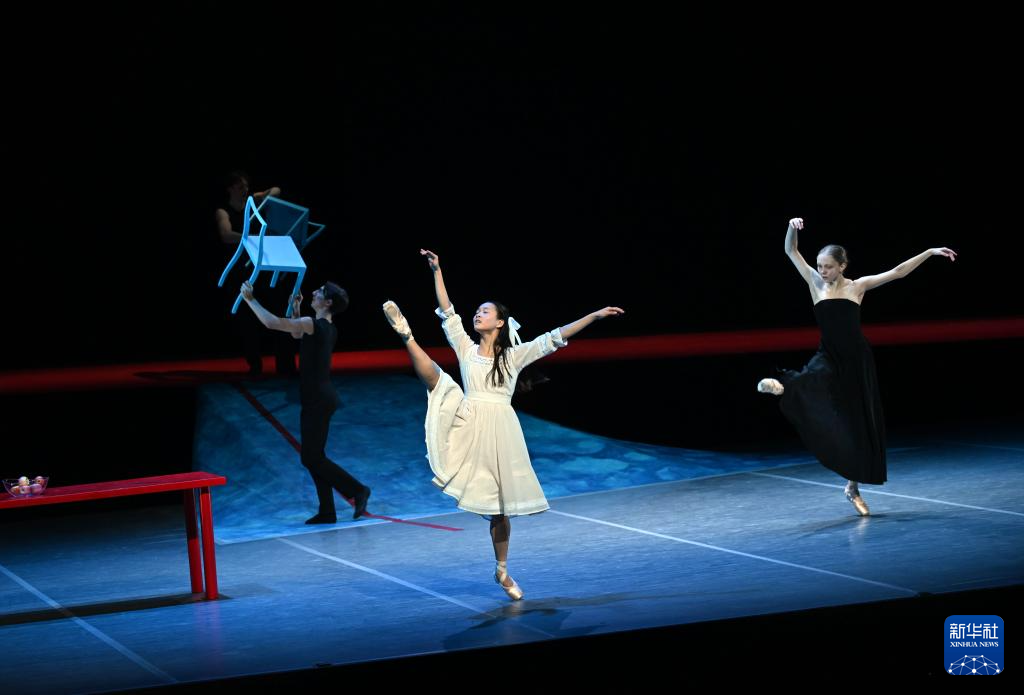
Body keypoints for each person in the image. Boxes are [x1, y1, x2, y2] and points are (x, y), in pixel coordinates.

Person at [382, 249, 623, 600]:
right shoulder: (466, 348)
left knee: (500, 510)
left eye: (485, 311)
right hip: (469, 420)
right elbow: (448, 312)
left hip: (500, 431)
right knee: (439, 381)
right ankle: (407, 335)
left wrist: (595, 315)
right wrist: (437, 270)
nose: (478, 314)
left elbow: (553, 338)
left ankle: (502, 570)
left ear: (499, 323)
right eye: (477, 311)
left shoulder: (512, 356)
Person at [757, 217, 956, 515]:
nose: (822, 271)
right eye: (820, 266)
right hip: (829, 354)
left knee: (858, 422)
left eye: (828, 267)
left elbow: (898, 272)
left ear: (842, 266)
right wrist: (790, 226)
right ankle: (784, 385)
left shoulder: (857, 287)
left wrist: (929, 252)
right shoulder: (814, 283)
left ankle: (852, 488)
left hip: (856, 359)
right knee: (813, 375)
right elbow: (790, 250)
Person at [240, 279, 371, 523]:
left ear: (327, 302)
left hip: (318, 399)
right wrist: (296, 309)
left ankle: (357, 490)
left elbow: (272, 322)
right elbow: (296, 333)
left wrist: (250, 299)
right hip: (318, 398)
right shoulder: (326, 327)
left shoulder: (315, 324)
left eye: (319, 291)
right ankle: (327, 511)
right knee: (314, 456)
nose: (313, 292)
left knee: (311, 457)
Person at [216, 171, 296, 376]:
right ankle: (255, 367)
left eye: (245, 186)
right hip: (242, 271)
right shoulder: (223, 211)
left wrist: (262, 198)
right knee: (247, 320)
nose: (245, 190)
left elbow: (276, 191)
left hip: (263, 267)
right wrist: (251, 238)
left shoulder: (253, 201)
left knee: (279, 312)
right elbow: (226, 235)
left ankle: (286, 365)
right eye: (240, 186)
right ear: (230, 189)